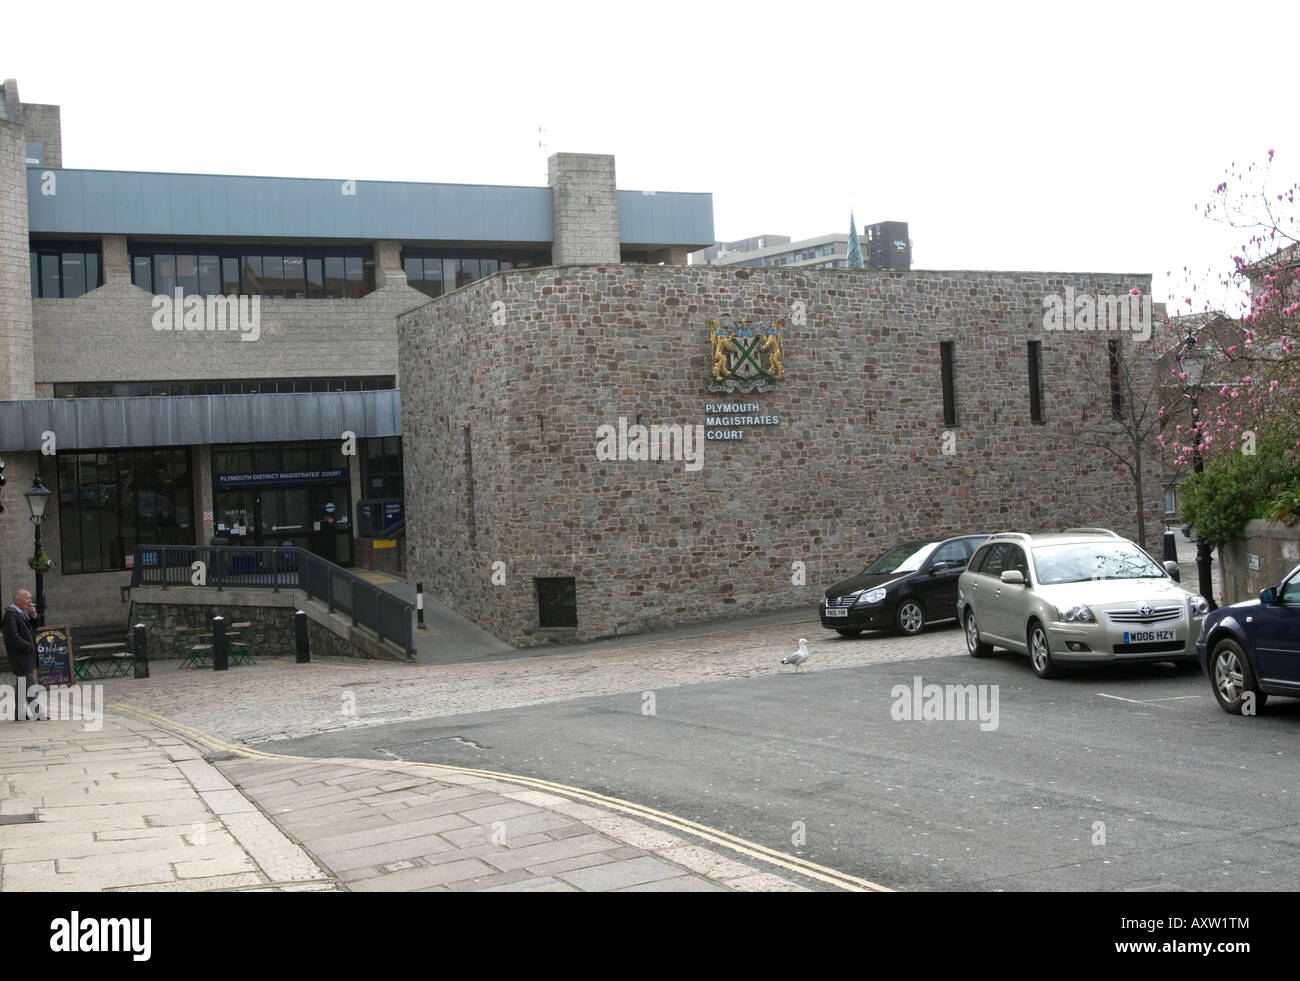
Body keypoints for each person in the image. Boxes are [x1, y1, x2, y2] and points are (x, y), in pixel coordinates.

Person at [3, 589, 40, 721]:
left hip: (24, 657)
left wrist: (33, 614)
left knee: (22, 686)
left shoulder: (20, 613)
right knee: (31, 685)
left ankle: (19, 714)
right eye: (27, 598)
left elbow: (33, 627)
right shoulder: (10, 615)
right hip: (20, 658)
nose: (30, 601)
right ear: (18, 600)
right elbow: (13, 637)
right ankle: (37, 713)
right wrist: (28, 646)